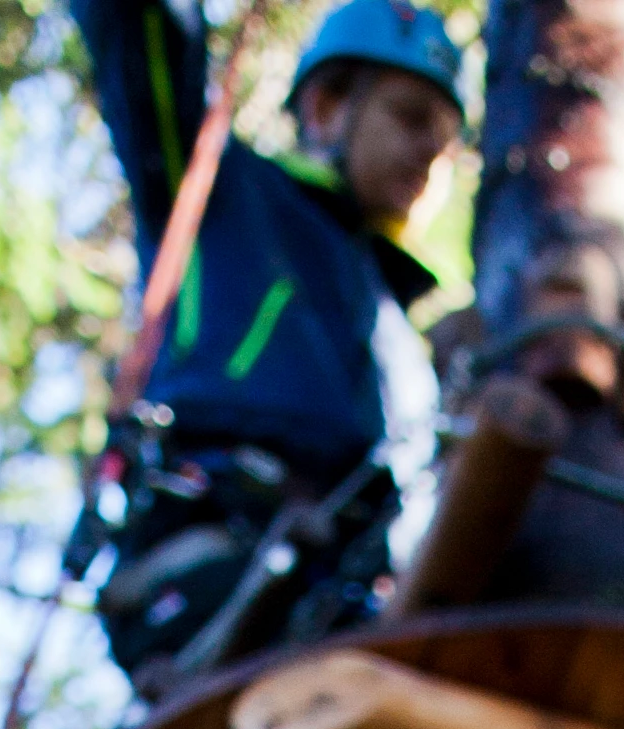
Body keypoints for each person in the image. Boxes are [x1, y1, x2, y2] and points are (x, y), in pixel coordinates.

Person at [78, 0, 465, 693]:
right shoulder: (221, 192)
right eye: (409, 118)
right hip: (215, 564)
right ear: (325, 107)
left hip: (351, 597)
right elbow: (145, 37)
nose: (426, 156)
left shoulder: (407, 327)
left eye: (443, 144)